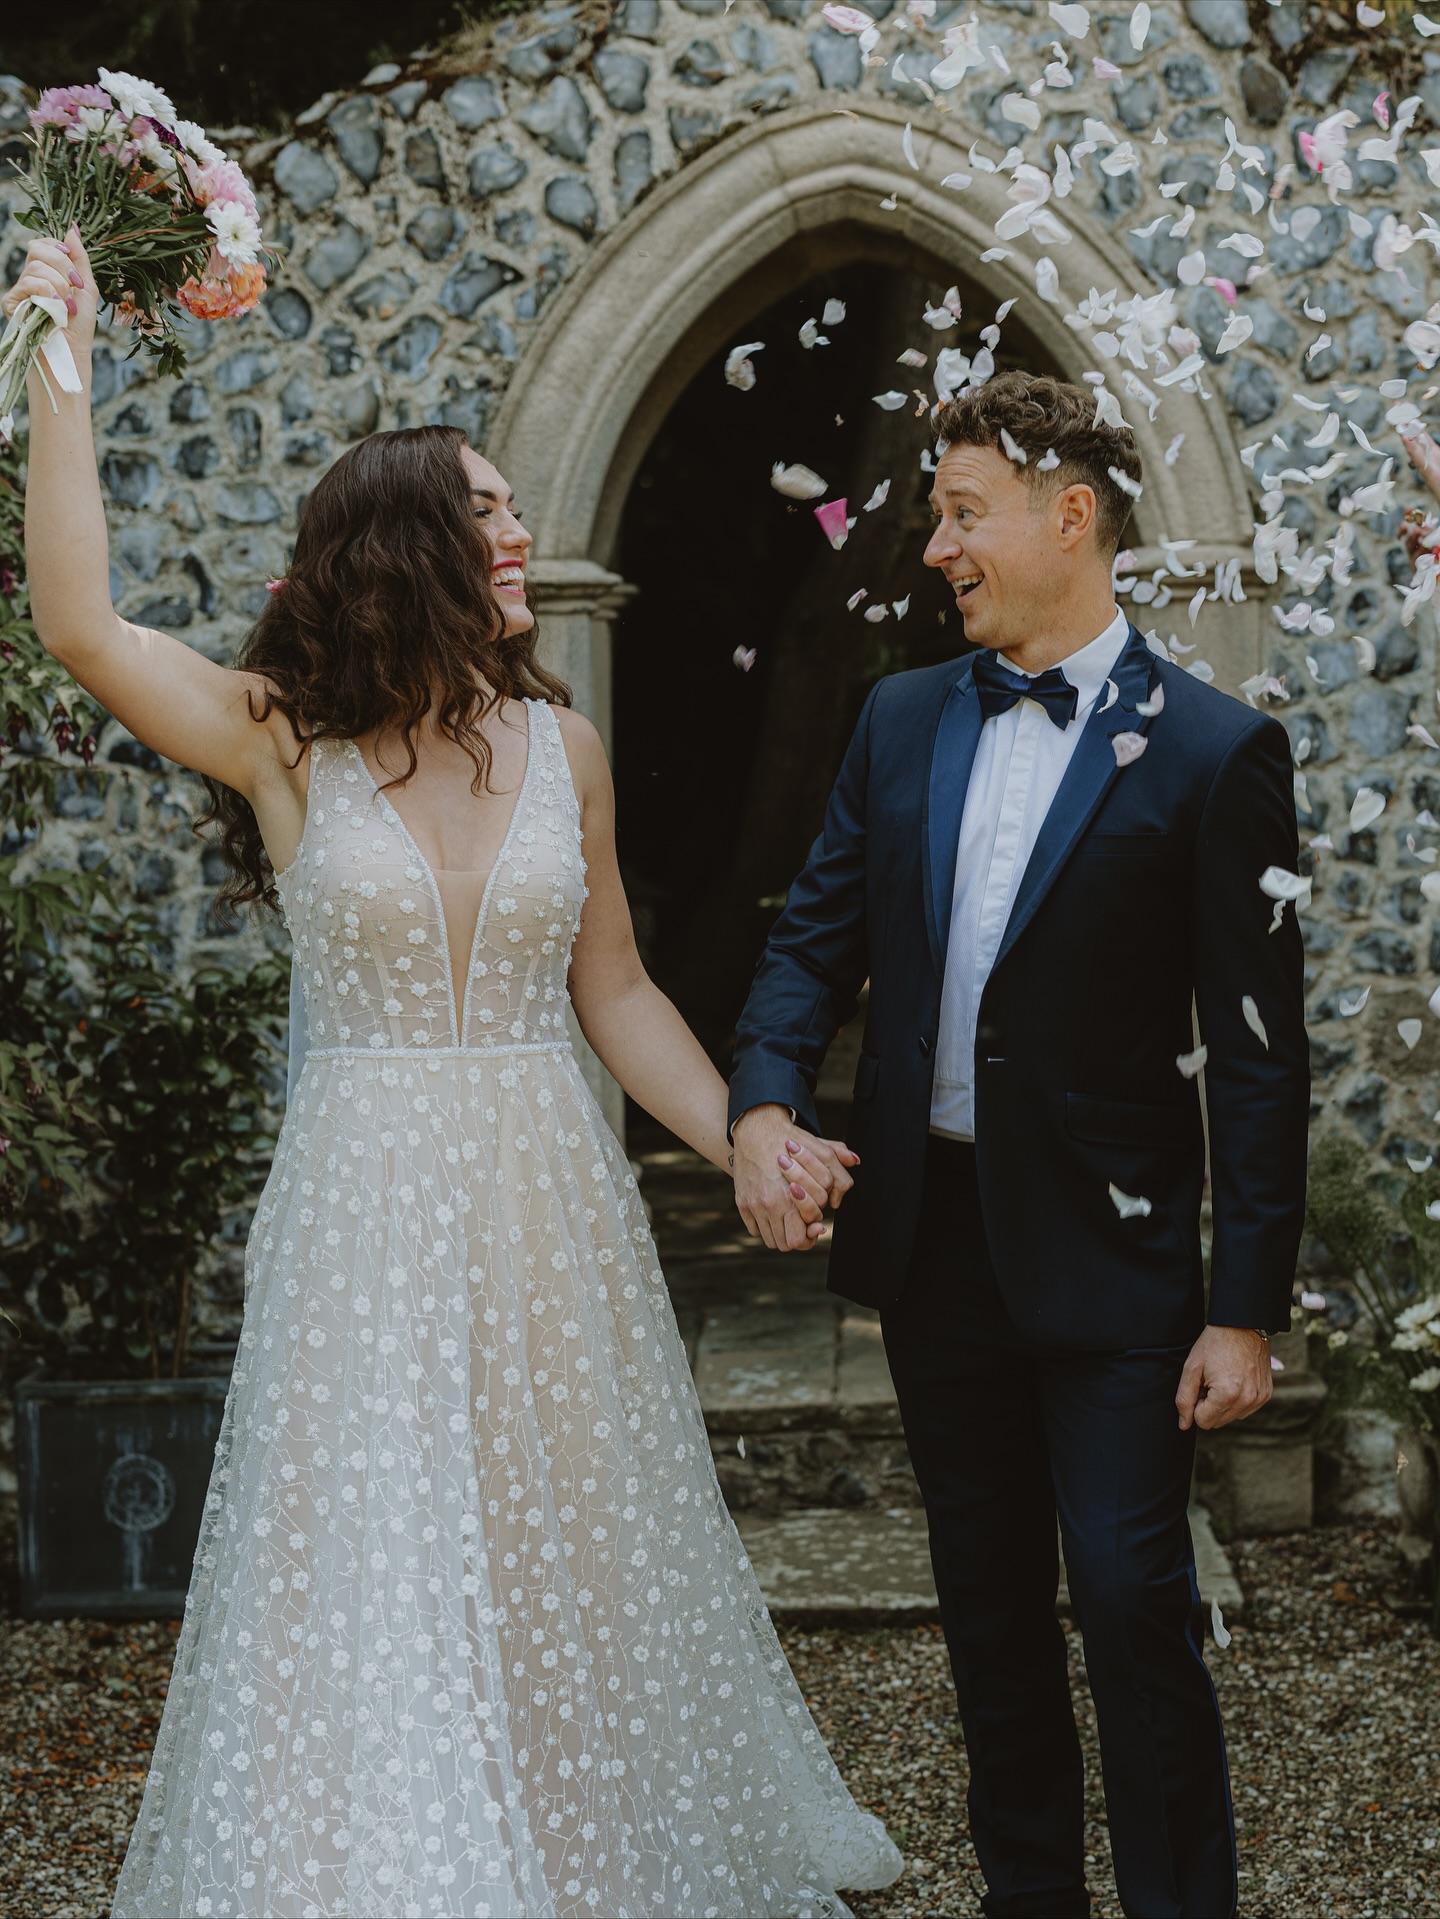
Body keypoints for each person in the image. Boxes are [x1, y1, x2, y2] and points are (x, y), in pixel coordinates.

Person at [6, 231, 902, 1918]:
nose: (521, 535)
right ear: (401, 546)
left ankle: (574, 1853)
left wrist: (741, 1140)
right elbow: (75, 617)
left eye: (515, 510)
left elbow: (618, 989)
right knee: (364, 1543)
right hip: (361, 1201)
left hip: (543, 1199)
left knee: (560, 1537)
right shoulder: (282, 740)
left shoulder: (562, 747)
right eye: (488, 513)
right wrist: (59, 350)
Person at [728, 370, 1310, 1919]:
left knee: (1131, 1600)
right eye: (932, 513)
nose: (935, 546)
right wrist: (766, 1103)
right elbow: (814, 943)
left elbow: (1257, 1056)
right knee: (989, 1614)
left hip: (1117, 1262)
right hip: (936, 1246)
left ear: (1073, 519)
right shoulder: (902, 717)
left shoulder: (1213, 752)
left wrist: (1243, 1304)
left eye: (963, 511)